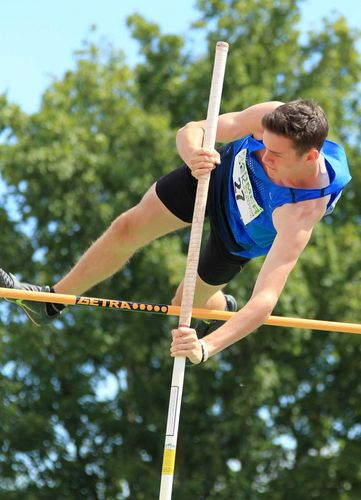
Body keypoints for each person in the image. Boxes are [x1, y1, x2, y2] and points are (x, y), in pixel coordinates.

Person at [0, 100, 351, 365]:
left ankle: (219, 307)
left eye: (274, 154)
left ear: (309, 157)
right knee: (127, 227)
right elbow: (194, 128)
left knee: (181, 305)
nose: (263, 156)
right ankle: (50, 302)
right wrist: (193, 153)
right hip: (212, 176)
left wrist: (205, 347)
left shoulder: (301, 212)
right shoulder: (273, 117)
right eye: (262, 143)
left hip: (237, 236)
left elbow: (264, 301)